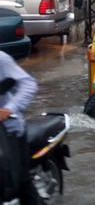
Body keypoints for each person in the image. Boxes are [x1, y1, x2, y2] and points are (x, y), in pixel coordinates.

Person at [0, 50, 43, 204]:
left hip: (9, 131)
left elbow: (28, 83)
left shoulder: (1, 59)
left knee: (21, 183)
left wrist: (8, 109)